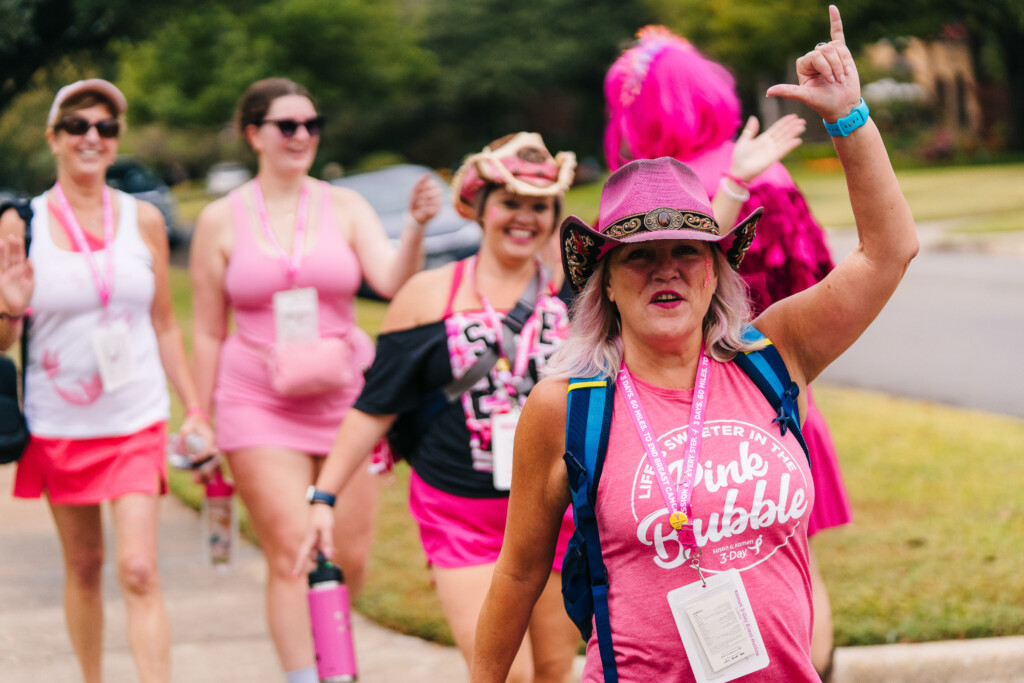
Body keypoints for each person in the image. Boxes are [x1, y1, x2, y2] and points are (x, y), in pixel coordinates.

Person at [472, 7, 917, 682]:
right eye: (640, 257)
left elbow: (888, 253)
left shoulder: (774, 355)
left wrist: (849, 118)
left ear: (717, 271)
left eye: (689, 251)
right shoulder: (568, 406)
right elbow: (518, 571)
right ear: (607, 285)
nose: (668, 268)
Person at [603, 19, 854, 677]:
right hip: (776, 401)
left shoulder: (651, 192)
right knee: (797, 576)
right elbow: (812, 285)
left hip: (681, 415)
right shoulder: (751, 176)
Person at [294, 132, 581, 682]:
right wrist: (323, 496)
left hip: (555, 514)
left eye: (540, 207)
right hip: (462, 518)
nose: (524, 219)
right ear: (479, 208)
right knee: (505, 674)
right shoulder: (427, 295)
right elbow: (375, 406)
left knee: (553, 669)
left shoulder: (577, 295)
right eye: (510, 203)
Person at [188, 77, 441, 683]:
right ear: (254, 134)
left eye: (311, 124)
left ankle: (336, 662)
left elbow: (390, 281)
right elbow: (204, 329)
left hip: (344, 401)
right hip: (256, 401)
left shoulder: (343, 205)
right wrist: (200, 415)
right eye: (286, 125)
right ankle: (312, 677)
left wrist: (413, 228)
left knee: (348, 557)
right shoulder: (221, 219)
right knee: (291, 549)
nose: (302, 135)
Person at [0, 78, 214, 683]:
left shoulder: (143, 219)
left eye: (105, 127)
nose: (91, 137)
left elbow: (166, 326)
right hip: (60, 420)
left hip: (135, 414)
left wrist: (195, 409)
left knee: (139, 568)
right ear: (54, 138)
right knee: (86, 565)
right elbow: (2, 343)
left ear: (116, 141)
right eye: (77, 125)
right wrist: (8, 306)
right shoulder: (23, 223)